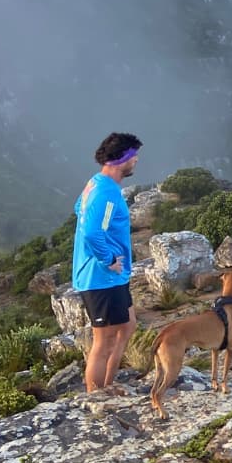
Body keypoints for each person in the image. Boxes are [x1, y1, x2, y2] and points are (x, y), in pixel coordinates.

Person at [72, 131, 142, 394]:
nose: (135, 162)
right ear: (121, 159)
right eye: (133, 157)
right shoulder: (107, 195)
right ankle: (96, 395)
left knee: (128, 325)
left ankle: (109, 385)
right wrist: (109, 258)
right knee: (104, 341)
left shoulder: (96, 184)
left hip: (113, 277)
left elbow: (79, 208)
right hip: (101, 277)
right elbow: (91, 232)